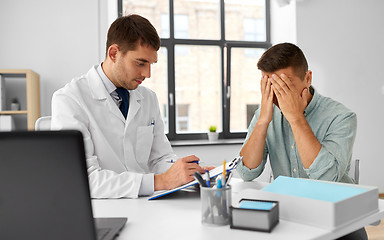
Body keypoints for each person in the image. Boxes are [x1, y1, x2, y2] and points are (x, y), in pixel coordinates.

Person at [51, 14, 207, 199]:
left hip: (147, 205)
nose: (147, 74)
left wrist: (188, 174)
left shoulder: (148, 98)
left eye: (151, 64)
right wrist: (160, 181)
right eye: (140, 63)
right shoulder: (70, 99)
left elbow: (159, 158)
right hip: (102, 211)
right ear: (114, 53)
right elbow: (83, 178)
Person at [236, 43, 366, 240]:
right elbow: (246, 172)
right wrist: (263, 119)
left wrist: (295, 118)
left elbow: (327, 178)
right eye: (270, 85)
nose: (278, 93)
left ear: (308, 78)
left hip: (338, 219)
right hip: (289, 217)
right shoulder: (265, 114)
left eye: (285, 85)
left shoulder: (341, 117)